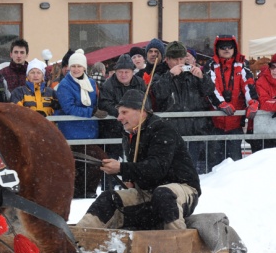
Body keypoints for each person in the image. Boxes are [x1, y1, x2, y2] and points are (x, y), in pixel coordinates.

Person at [76, 89, 201, 231]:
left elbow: (157, 168)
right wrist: (131, 180)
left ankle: (177, 245)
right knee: (108, 198)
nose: (119, 118)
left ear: (142, 111)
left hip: (182, 189)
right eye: (119, 113)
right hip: (147, 192)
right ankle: (78, 239)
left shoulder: (162, 129)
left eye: (124, 112)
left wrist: (121, 168)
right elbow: (140, 168)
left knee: (163, 195)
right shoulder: (129, 134)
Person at [150, 41, 215, 173]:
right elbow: (158, 93)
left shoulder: (193, 74)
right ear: (167, 59)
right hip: (171, 133)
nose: (179, 62)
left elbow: (210, 91)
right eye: (175, 59)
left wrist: (202, 77)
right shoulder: (159, 74)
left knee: (191, 171)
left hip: (194, 130)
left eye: (181, 58)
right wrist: (170, 76)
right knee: (172, 170)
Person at [204, 35, 259, 166]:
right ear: (217, 49)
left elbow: (248, 84)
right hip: (215, 123)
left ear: (235, 48)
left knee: (235, 163)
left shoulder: (242, 64)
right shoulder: (211, 65)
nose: (227, 49)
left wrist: (253, 102)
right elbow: (210, 88)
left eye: (230, 46)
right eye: (223, 47)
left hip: (235, 123)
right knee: (214, 163)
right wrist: (221, 104)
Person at [56, 49, 104, 198]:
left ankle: (87, 191)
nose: (76, 69)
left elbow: (96, 102)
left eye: (79, 66)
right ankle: (79, 192)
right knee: (92, 159)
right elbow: (68, 108)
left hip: (89, 131)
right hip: (72, 132)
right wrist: (91, 112)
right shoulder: (64, 85)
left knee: (90, 163)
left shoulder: (90, 83)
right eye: (73, 66)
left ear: (84, 68)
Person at [98, 54, 147, 188]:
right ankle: (107, 188)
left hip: (135, 129)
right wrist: (123, 113)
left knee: (134, 159)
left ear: (132, 72)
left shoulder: (139, 82)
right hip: (113, 129)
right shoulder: (108, 85)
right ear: (115, 72)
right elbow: (105, 103)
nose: (123, 75)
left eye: (126, 72)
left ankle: (133, 185)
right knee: (110, 159)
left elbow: (144, 102)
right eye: (120, 72)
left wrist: (133, 115)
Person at [254, 54, 276, 149]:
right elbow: (263, 102)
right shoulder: (261, 82)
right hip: (265, 132)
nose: (275, 70)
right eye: (272, 66)